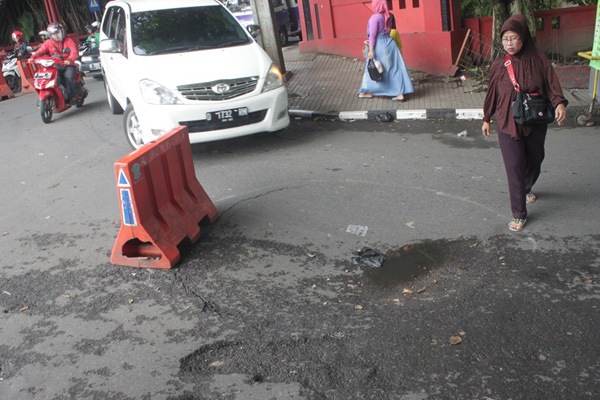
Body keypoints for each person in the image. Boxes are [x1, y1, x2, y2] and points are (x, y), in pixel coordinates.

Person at [482, 14, 567, 232]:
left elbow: (551, 84)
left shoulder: (539, 59)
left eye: (514, 38)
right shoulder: (500, 65)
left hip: (534, 120)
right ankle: (519, 213)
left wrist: (559, 104)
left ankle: (526, 186)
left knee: (536, 158)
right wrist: (486, 117)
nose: (509, 44)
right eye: (505, 39)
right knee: (514, 167)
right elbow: (492, 92)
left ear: (524, 38)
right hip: (506, 121)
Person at [358, 0, 413, 102]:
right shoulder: (387, 16)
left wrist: (371, 50)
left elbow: (373, 36)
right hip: (390, 44)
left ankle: (366, 90)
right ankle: (400, 93)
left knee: (373, 67)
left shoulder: (375, 18)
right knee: (395, 68)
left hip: (380, 46)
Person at [30, 22, 80, 104]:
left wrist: (69, 60)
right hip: (54, 65)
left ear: (62, 32)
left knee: (68, 77)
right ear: (50, 35)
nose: (56, 35)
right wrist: (33, 57)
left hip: (68, 65)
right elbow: (41, 51)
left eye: (57, 33)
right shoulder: (48, 43)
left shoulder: (68, 41)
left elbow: (74, 52)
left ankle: (72, 98)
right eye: (53, 34)